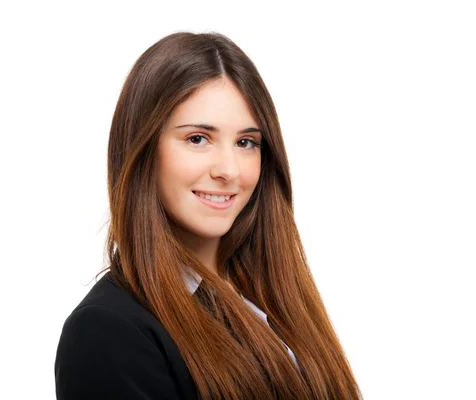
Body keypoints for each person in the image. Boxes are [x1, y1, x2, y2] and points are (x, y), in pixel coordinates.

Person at [54, 31, 363, 399]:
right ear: (143, 149)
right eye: (198, 138)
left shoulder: (272, 294)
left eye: (246, 142)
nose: (229, 170)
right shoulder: (108, 331)